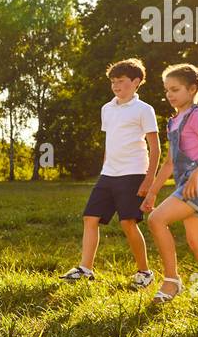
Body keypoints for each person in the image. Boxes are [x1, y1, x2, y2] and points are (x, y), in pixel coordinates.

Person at [59, 57, 160, 288]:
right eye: (113, 81)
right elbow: (110, 142)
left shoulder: (145, 110)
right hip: (109, 174)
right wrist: (105, 168)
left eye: (121, 81)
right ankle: (85, 268)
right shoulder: (107, 108)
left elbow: (155, 147)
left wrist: (149, 180)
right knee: (90, 218)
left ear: (136, 82)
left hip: (133, 173)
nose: (116, 85)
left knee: (128, 223)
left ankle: (144, 272)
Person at [141, 64, 198, 303]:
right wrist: (152, 193)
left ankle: (171, 280)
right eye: (167, 90)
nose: (169, 95)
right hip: (185, 183)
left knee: (157, 220)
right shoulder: (173, 122)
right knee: (197, 244)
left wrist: (197, 175)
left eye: (175, 89)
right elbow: (169, 163)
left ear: (193, 88)